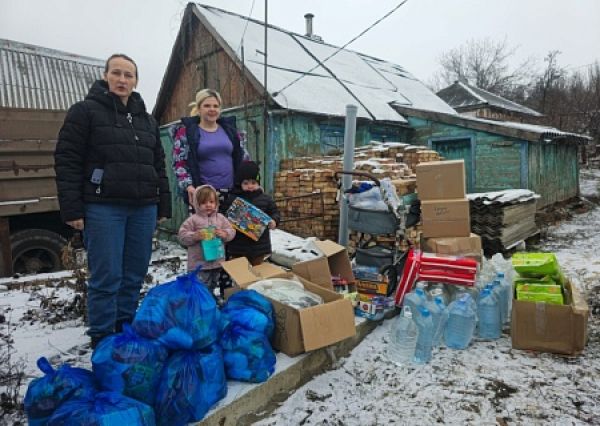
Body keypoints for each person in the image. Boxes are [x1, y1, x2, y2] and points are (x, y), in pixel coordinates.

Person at [54, 53, 171, 348]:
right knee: (107, 276)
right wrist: (72, 207)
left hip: (143, 207)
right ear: (106, 76)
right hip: (103, 207)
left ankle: (125, 327)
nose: (122, 79)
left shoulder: (146, 120)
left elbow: (158, 164)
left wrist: (163, 205)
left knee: (133, 274)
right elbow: (67, 159)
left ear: (136, 81)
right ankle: (103, 338)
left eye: (128, 75)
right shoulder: (85, 112)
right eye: (116, 73)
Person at [170, 88, 243, 210]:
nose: (212, 109)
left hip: (232, 194)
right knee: (206, 230)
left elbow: (243, 157)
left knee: (229, 230)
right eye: (207, 106)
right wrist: (188, 186)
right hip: (203, 197)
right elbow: (179, 163)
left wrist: (252, 181)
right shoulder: (186, 132)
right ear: (199, 109)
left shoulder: (230, 130)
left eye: (216, 106)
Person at [178, 185, 235, 293]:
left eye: (211, 202)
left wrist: (224, 234)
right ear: (196, 204)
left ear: (216, 203)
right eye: (203, 203)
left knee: (212, 284)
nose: (208, 205)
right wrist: (195, 236)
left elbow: (231, 231)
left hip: (217, 262)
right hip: (199, 264)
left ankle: (209, 301)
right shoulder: (193, 220)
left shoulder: (221, 218)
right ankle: (201, 304)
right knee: (200, 288)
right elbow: (182, 236)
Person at [223, 161, 280, 266]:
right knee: (240, 273)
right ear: (240, 183)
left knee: (258, 272)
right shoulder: (233, 200)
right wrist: (228, 223)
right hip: (238, 246)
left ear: (258, 183)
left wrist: (274, 221)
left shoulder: (265, 199)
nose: (250, 186)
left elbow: (274, 212)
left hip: (259, 246)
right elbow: (224, 216)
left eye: (253, 183)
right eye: (246, 183)